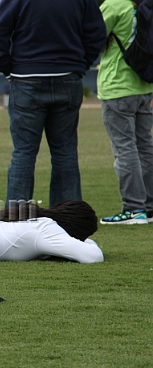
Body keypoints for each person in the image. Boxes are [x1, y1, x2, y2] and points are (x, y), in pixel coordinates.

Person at [0, 0, 106, 208]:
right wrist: (80, 65)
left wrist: (8, 69)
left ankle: (16, 218)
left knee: (24, 151)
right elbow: (97, 33)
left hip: (26, 77)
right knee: (65, 151)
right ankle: (68, 218)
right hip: (68, 76)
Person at [97, 0, 153, 225]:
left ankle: (133, 208)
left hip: (117, 86)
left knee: (125, 148)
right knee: (144, 147)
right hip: (144, 86)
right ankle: (149, 207)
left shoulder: (114, 4)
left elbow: (92, 36)